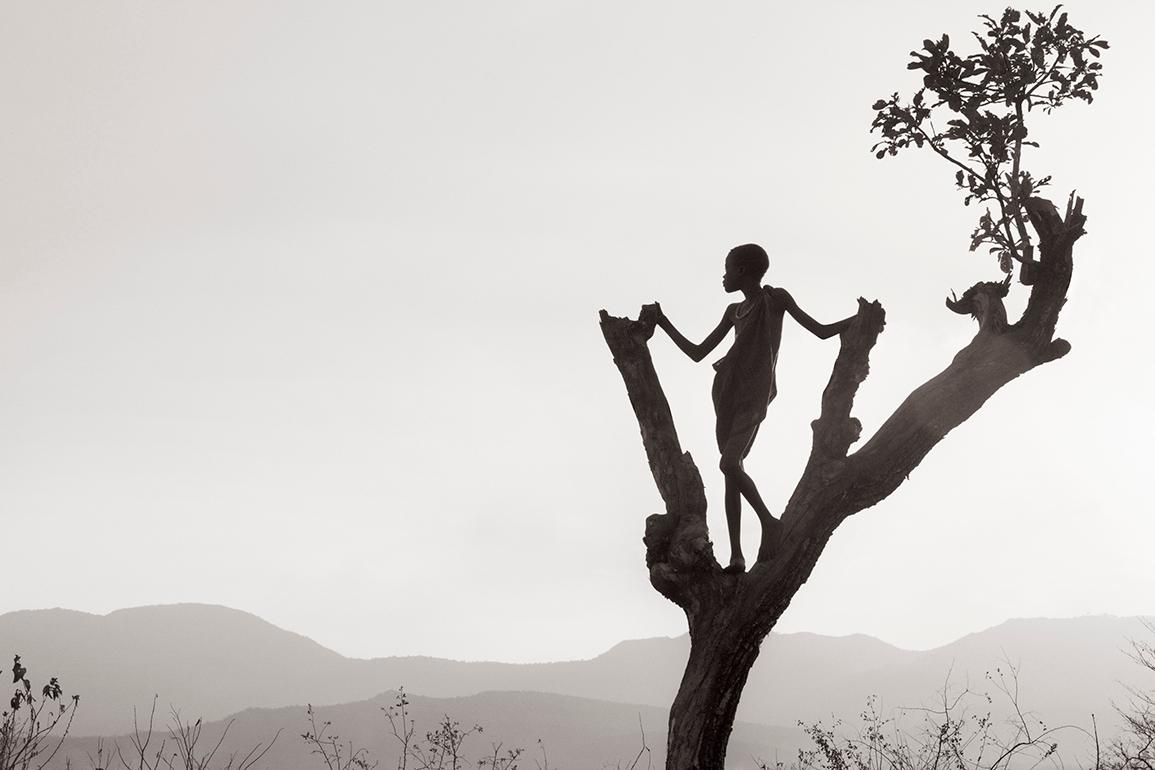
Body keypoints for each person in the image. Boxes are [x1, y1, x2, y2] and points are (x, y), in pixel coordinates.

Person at [646, 244, 854, 572]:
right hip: (727, 395)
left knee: (729, 464)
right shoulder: (733, 311)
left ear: (742, 270)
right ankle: (737, 557)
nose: (724, 276)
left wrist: (861, 318)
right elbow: (698, 353)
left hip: (754, 397)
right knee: (732, 471)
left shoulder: (775, 300)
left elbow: (822, 331)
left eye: (727, 269)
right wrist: (663, 321)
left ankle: (770, 522)